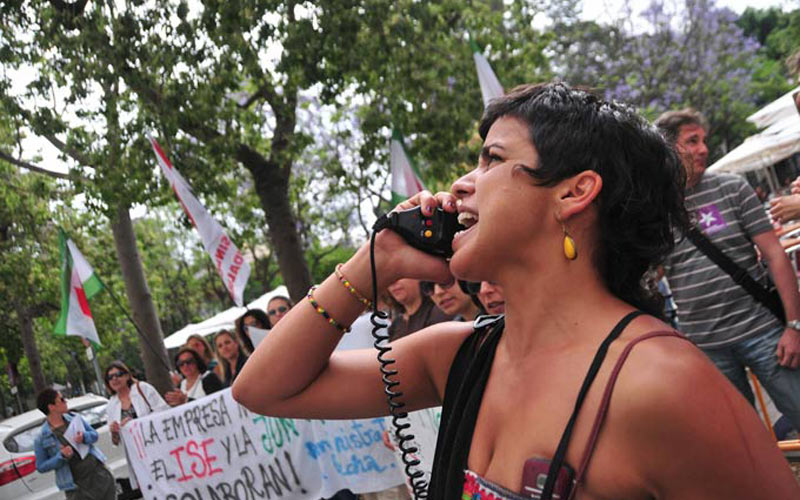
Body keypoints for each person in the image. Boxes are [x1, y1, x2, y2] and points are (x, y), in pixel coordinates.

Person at [234, 83, 800, 498]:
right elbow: (263, 390)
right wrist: (371, 261)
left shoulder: (660, 383)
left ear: (574, 193)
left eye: (493, 160)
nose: (460, 186)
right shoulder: (459, 356)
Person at [656, 108, 800, 432]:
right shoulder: (655, 208)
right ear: (667, 147)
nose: (703, 149)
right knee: (743, 438)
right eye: (692, 141)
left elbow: (775, 255)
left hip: (765, 334)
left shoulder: (732, 188)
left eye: (703, 140)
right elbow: (655, 274)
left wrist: (794, 325)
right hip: (706, 346)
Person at [34, 387, 117, 499]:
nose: (66, 401)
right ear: (51, 407)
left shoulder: (75, 418)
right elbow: (41, 466)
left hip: (99, 474)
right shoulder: (42, 437)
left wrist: (84, 437)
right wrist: (61, 456)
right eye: (62, 400)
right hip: (77, 487)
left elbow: (94, 435)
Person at [104, 361, 169, 491]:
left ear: (127, 376)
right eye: (110, 377)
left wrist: (135, 423)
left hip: (156, 447)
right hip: (137, 456)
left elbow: (163, 412)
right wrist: (115, 431)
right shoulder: (112, 405)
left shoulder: (143, 389)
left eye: (118, 374)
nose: (115, 379)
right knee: (151, 490)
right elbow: (116, 442)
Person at [386, 278, 451, 341]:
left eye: (399, 276)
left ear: (418, 278)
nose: (393, 283)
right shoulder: (396, 324)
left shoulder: (438, 312)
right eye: (389, 278)